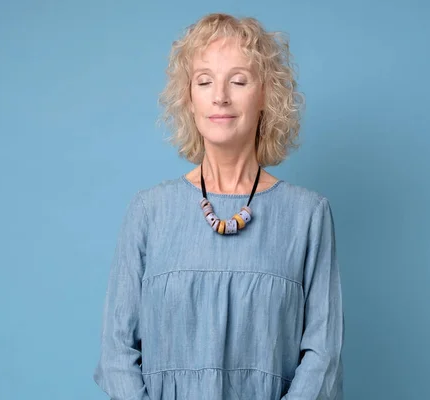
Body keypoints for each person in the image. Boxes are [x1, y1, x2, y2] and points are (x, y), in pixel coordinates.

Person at [93, 12, 344, 400]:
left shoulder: (308, 216)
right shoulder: (149, 211)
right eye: (204, 80)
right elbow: (116, 355)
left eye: (239, 80)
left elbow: (323, 357)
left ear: (266, 96)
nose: (220, 96)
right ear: (189, 99)